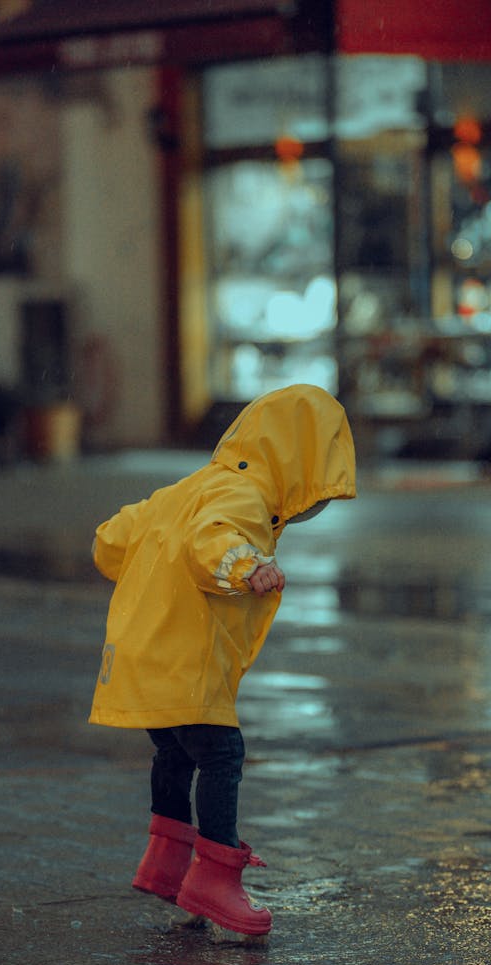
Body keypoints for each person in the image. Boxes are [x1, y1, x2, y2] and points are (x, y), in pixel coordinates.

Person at [89, 384, 356, 935]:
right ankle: (214, 877)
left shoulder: (185, 488)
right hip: (186, 660)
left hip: (144, 657)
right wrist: (246, 566)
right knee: (221, 754)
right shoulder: (245, 496)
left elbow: (111, 541)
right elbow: (211, 543)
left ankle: (166, 863)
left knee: (175, 750)